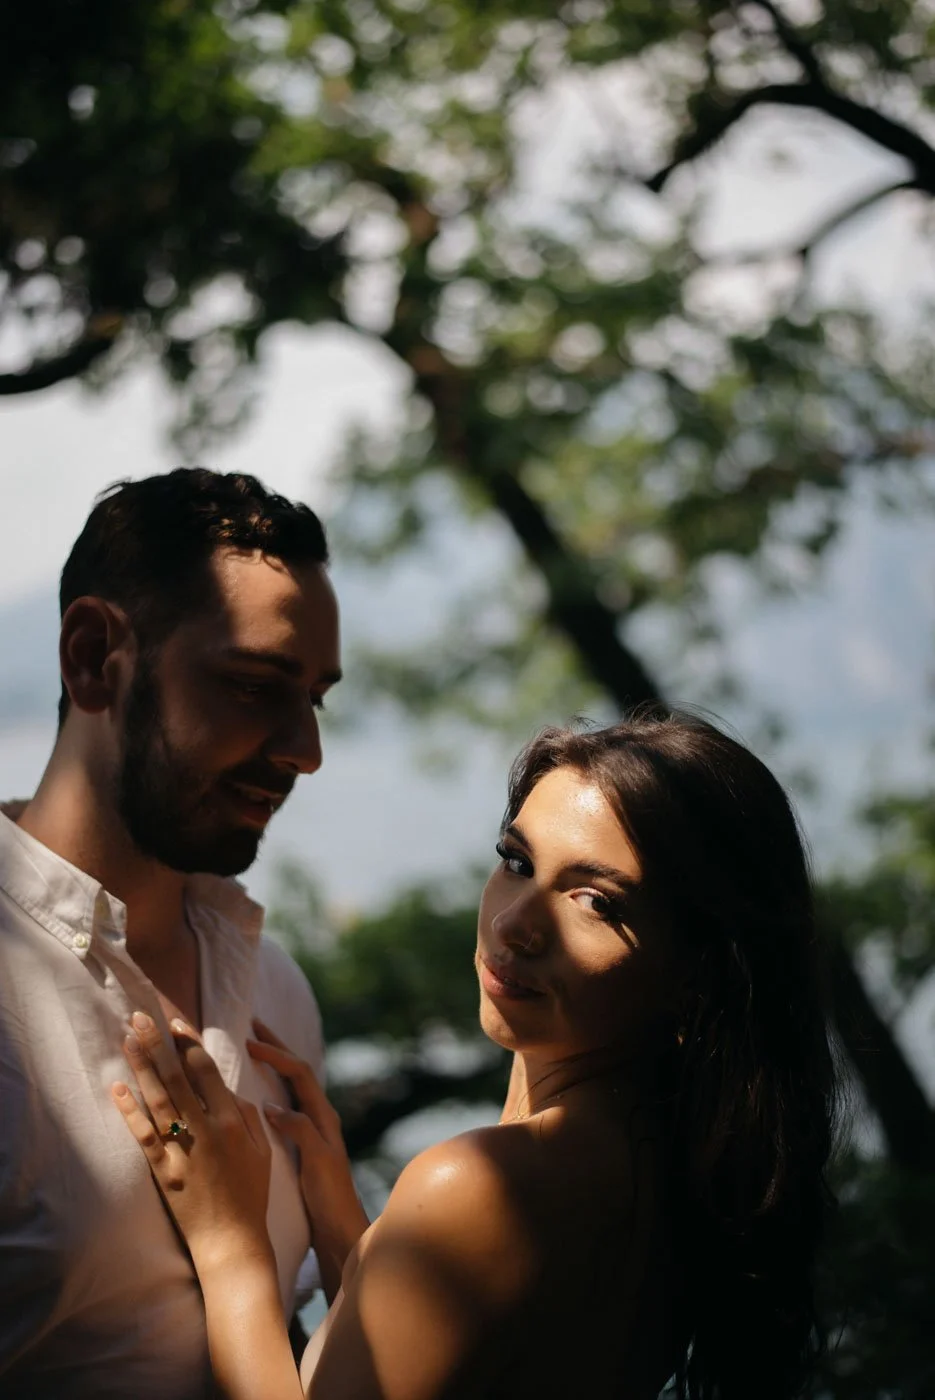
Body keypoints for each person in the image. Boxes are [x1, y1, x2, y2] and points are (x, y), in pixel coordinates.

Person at [115, 709, 838, 1400]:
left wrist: (228, 1240)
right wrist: (353, 1243)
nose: (516, 923)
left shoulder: (478, 1187)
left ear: (697, 969)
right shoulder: (666, 1171)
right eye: (517, 861)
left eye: (597, 902)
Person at [0, 468, 353, 1399]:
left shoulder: (275, 994)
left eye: (315, 696)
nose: (303, 751)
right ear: (92, 657)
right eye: (253, 683)